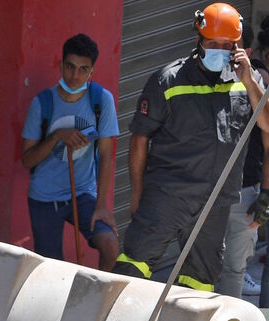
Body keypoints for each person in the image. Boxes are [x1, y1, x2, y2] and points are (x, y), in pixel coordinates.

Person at [114, 3, 269, 292]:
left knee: (199, 281)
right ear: (198, 39)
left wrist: (248, 80)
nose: (220, 50)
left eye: (227, 45)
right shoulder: (168, 80)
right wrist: (136, 195)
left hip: (215, 202)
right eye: (213, 43)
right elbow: (139, 140)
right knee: (133, 267)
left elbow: (267, 124)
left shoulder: (246, 83)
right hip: (169, 195)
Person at [20, 33, 119, 270]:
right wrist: (57, 136)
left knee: (110, 245)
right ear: (61, 65)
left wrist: (102, 206)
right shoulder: (42, 103)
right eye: (70, 67)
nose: (75, 76)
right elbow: (27, 159)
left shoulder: (101, 101)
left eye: (83, 69)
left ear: (92, 72)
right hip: (44, 198)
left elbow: (106, 155)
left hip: (83, 193)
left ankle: (98, 303)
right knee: (53, 271)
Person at [226, 18, 269, 302]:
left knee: (234, 270)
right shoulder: (191, 79)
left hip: (245, 191)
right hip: (203, 192)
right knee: (195, 267)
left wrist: (265, 194)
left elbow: (266, 127)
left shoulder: (256, 80)